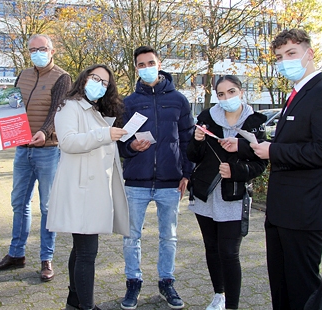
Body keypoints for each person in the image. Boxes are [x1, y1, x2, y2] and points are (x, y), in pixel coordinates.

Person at [250, 29, 322, 310]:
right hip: (281, 210)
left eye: (291, 53)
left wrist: (273, 150)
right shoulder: (297, 94)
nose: (284, 61)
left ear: (309, 54)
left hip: (304, 210)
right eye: (279, 57)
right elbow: (296, 143)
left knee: (302, 289)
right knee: (281, 284)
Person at [0, 34, 71, 282]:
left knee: (47, 207)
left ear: (52, 50)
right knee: (19, 203)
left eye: (41, 48)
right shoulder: (22, 75)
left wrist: (44, 132)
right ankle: (16, 254)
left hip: (48, 151)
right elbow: (12, 109)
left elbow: (58, 109)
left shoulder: (62, 77)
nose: (37, 53)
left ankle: (46, 259)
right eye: (32, 49)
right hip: (22, 149)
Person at [47, 64, 130, 310]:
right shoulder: (69, 106)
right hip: (79, 189)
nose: (100, 85)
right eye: (96, 78)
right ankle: (87, 306)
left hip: (90, 190)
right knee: (87, 252)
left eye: (105, 83)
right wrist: (105, 134)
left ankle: (75, 300)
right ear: (83, 79)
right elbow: (69, 142)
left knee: (81, 248)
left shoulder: (93, 110)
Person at [117, 46, 194, 310]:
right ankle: (133, 281)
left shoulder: (179, 100)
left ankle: (166, 281)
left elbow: (187, 140)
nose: (147, 67)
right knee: (131, 236)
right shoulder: (128, 103)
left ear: (159, 64)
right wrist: (130, 148)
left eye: (151, 62)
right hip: (136, 181)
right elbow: (120, 143)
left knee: (169, 236)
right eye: (141, 64)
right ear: (136, 68)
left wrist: (187, 173)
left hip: (170, 181)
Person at [186, 75, 268, 310]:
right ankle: (218, 295)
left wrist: (236, 171)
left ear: (241, 92)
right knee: (211, 248)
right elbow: (193, 156)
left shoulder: (255, 122)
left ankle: (232, 305)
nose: (226, 98)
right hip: (206, 195)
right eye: (221, 94)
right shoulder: (206, 118)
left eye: (231, 92)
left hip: (233, 196)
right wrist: (197, 140)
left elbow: (260, 164)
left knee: (229, 253)